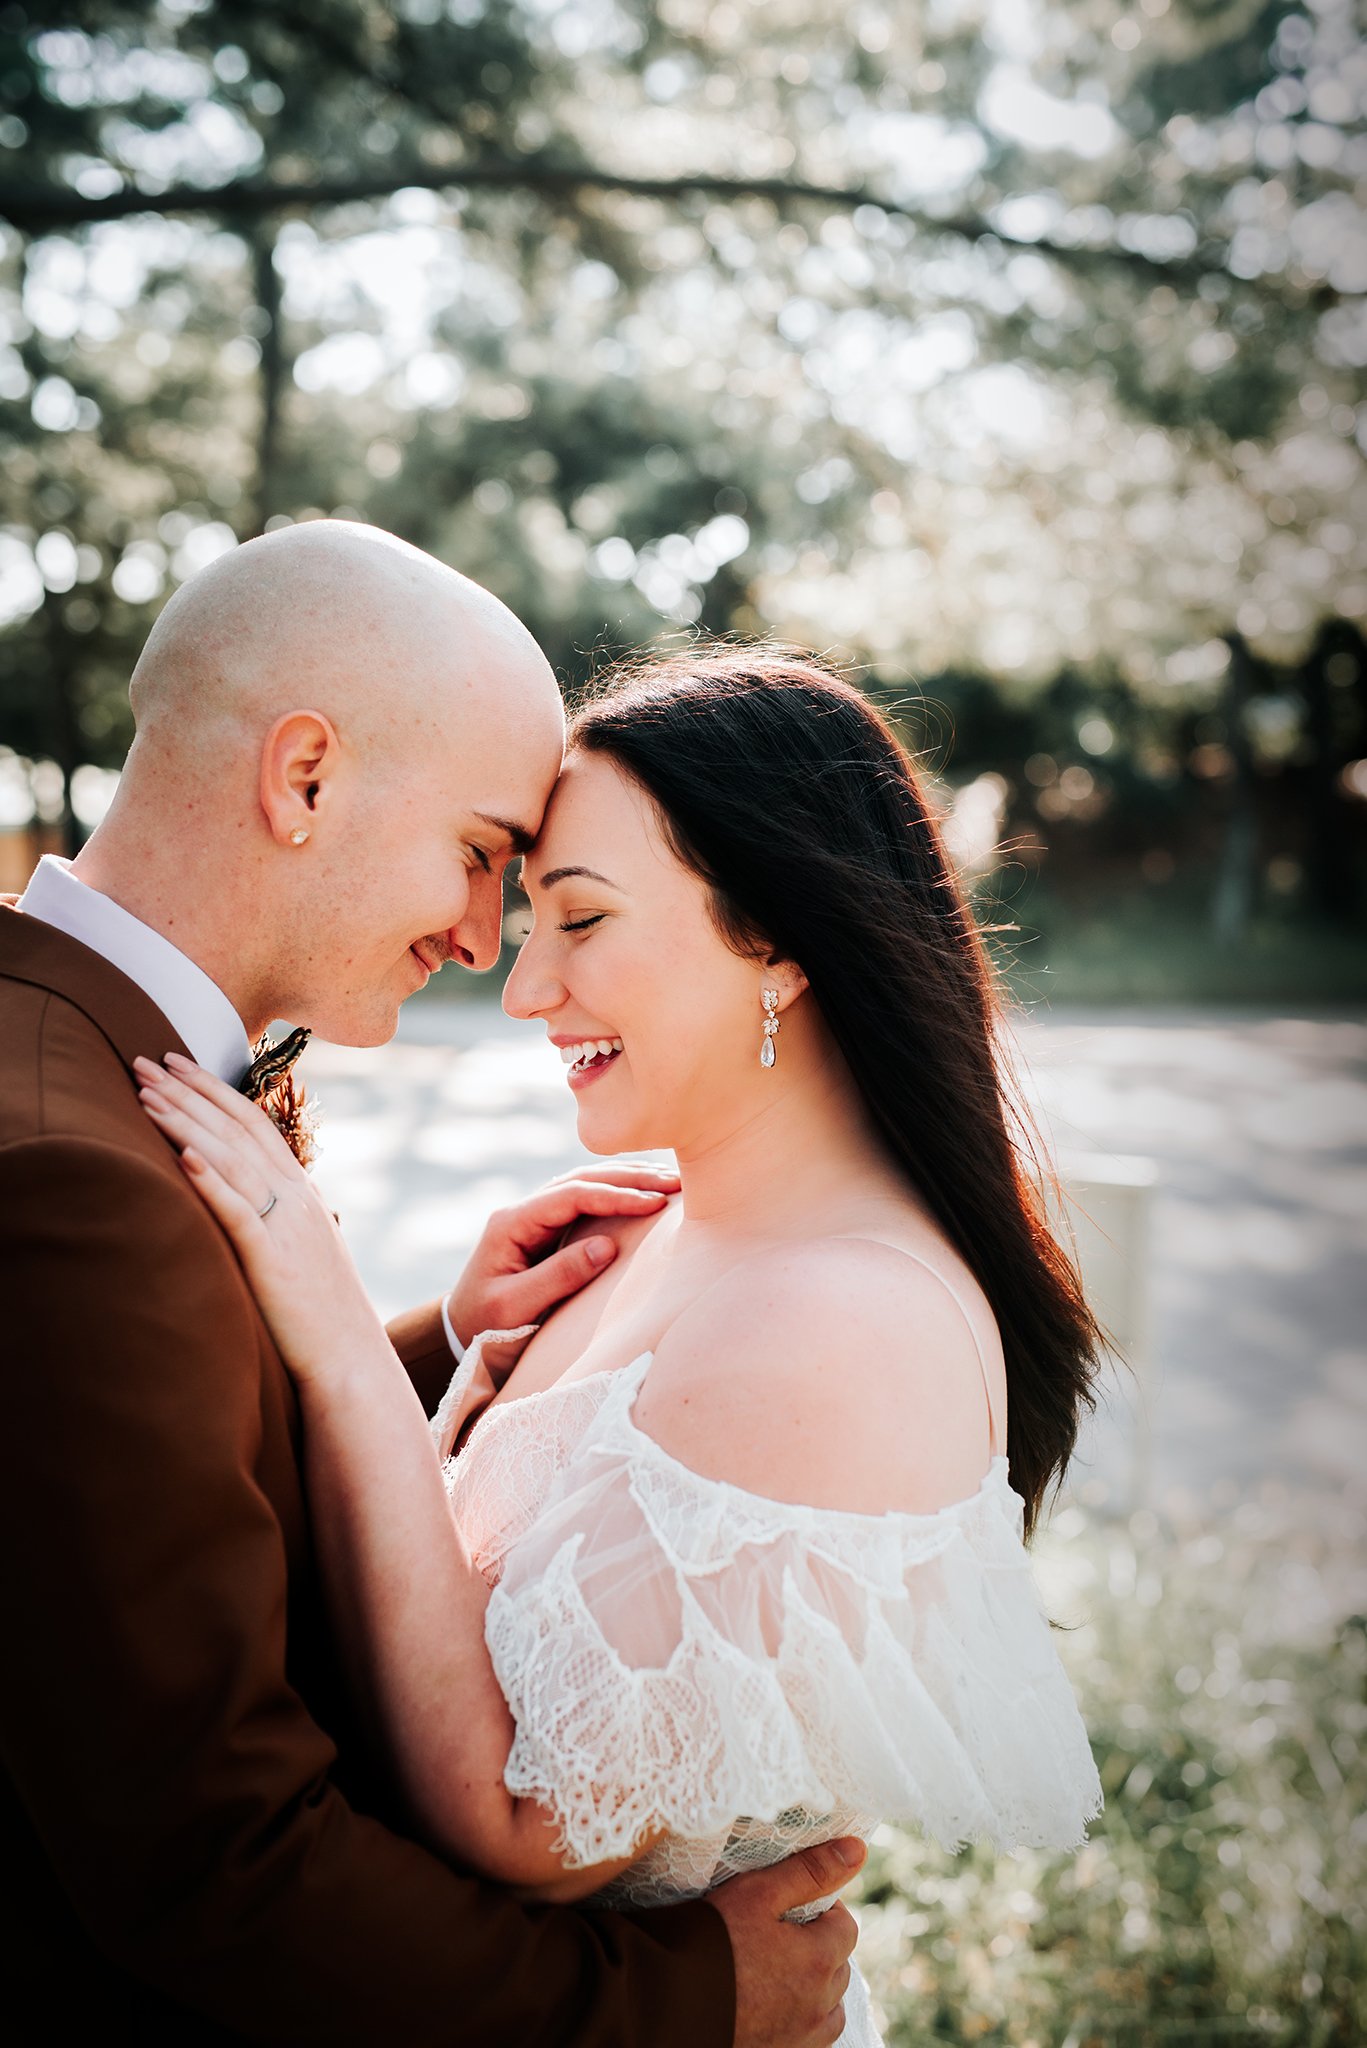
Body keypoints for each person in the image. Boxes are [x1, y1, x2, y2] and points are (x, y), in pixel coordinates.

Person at [139, 647, 1107, 2047]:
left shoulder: (848, 1323)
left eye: (580, 920)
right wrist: (449, 1341)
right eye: (532, 917)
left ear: (775, 935)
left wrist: (341, 1344)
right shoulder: (658, 1229)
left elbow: (529, 1820)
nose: (526, 987)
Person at [0, 526, 865, 2046]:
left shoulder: (58, 1053)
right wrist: (685, 1998)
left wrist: (432, 1339)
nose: (485, 945)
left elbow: (135, 1468)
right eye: (480, 854)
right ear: (305, 777)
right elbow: (219, 1865)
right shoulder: (72, 1182)